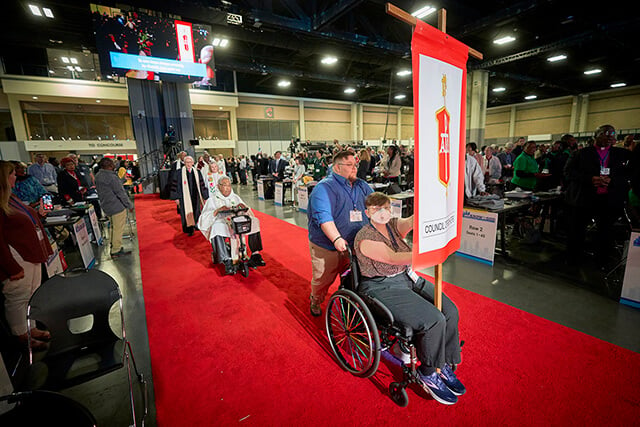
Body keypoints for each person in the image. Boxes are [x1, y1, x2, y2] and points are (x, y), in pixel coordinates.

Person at [354, 192, 464, 405]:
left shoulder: (393, 226)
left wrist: (434, 204)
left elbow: (412, 221)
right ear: (367, 213)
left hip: (406, 277)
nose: (382, 213)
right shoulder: (364, 237)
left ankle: (446, 363)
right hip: (381, 286)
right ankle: (428, 371)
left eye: (386, 207)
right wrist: (428, 253)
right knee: (434, 319)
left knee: (450, 311)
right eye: (376, 210)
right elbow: (392, 257)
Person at [307, 150, 373, 316]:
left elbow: (375, 203)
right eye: (349, 165)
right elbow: (324, 217)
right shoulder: (324, 188)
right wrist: (336, 238)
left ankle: (347, 302)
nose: (354, 168)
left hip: (355, 246)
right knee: (323, 280)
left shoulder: (361, 185)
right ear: (337, 168)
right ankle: (315, 299)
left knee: (352, 279)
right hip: (327, 247)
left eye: (355, 164)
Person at [0, 160, 53, 350]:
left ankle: (30, 328)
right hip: (17, 256)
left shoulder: (11, 198)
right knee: (18, 296)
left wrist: (38, 213)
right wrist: (11, 267)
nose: (16, 176)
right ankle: (21, 334)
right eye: (12, 174)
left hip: (31, 253)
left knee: (31, 293)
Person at [564, 124, 631, 265]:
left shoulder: (621, 154)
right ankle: (573, 258)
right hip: (584, 199)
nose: (609, 137)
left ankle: (602, 259)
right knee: (577, 230)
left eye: (612, 135)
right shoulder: (581, 153)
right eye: (605, 134)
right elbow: (568, 173)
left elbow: (626, 174)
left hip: (608, 200)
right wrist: (590, 179)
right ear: (596, 135)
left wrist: (612, 180)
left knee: (605, 232)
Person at [197, 176, 265, 274]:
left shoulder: (235, 197)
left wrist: (244, 207)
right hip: (222, 222)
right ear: (219, 186)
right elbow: (204, 217)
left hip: (236, 221)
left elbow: (246, 211)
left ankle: (255, 254)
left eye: (229, 185)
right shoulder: (212, 200)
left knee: (254, 221)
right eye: (225, 185)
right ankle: (226, 259)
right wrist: (217, 210)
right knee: (216, 228)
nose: (228, 188)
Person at [94, 157, 134, 258]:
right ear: (110, 165)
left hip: (106, 205)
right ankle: (116, 250)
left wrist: (122, 180)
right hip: (116, 206)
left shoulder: (98, 175)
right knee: (118, 229)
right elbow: (120, 193)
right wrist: (129, 205)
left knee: (112, 227)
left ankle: (113, 246)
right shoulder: (111, 177)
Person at [170, 156, 209, 236]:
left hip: (195, 195)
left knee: (196, 210)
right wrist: (176, 197)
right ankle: (188, 228)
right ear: (184, 163)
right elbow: (174, 185)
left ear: (193, 163)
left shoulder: (197, 172)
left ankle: (195, 225)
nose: (188, 164)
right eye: (187, 162)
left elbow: (202, 185)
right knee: (185, 212)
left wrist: (205, 196)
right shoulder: (179, 173)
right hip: (183, 197)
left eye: (190, 162)